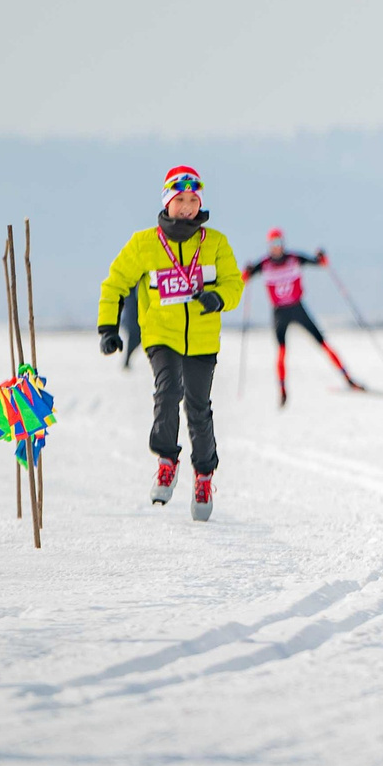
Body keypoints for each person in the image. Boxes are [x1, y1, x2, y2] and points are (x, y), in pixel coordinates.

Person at [97, 167, 245, 522]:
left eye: (193, 200)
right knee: (167, 392)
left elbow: (234, 284)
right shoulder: (144, 243)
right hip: (161, 335)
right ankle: (166, 460)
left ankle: (204, 476)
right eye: (180, 200)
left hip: (202, 339)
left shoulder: (215, 243)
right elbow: (115, 284)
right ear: (167, 201)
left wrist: (217, 298)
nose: (187, 207)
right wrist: (108, 328)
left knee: (198, 409)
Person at [241, 229, 363, 406]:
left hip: (297, 307)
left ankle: (348, 378)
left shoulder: (294, 258)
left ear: (283, 243)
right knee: (282, 351)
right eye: (273, 244)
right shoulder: (264, 264)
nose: (277, 247)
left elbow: (320, 263)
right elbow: (244, 278)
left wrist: (322, 257)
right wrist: (247, 270)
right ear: (269, 246)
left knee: (323, 342)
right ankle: (282, 389)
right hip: (280, 312)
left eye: (279, 243)